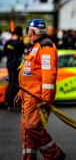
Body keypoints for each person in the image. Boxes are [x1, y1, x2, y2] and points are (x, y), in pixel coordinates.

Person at [14, 19, 65, 160]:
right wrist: (20, 92)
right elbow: (30, 73)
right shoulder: (36, 46)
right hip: (28, 96)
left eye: (28, 30)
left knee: (32, 127)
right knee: (26, 132)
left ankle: (55, 154)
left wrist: (46, 99)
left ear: (32, 31)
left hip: (37, 98)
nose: (27, 32)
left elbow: (48, 75)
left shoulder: (46, 46)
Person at [3, 26, 25, 109]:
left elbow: (5, 52)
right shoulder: (19, 43)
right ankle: (11, 102)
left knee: (11, 83)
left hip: (9, 64)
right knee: (14, 83)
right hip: (16, 65)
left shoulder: (8, 42)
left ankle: (7, 102)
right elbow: (22, 52)